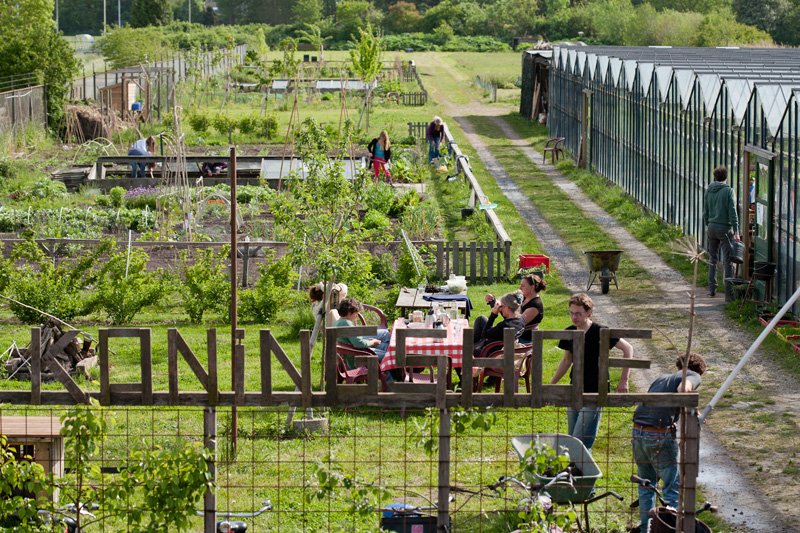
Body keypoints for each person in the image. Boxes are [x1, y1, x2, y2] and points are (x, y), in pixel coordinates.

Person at [631, 353, 707, 533]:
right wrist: (693, 408)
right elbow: (683, 390)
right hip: (659, 434)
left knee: (646, 484)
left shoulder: (662, 378)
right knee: (672, 486)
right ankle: (670, 529)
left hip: (638, 431)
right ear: (700, 370)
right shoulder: (692, 375)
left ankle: (645, 529)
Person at [549, 293, 633, 451]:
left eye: (578, 313)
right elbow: (567, 360)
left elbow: (628, 348)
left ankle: (580, 471)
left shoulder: (601, 331)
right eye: (571, 313)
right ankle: (575, 473)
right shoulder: (569, 332)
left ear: (589, 312)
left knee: (579, 441)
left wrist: (624, 381)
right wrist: (551, 384)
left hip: (595, 390)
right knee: (572, 437)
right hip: (575, 389)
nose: (574, 317)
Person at [702, 165, 740, 300]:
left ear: (715, 177)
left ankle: (712, 289)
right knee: (728, 260)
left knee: (712, 259)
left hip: (711, 228)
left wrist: (708, 224)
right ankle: (729, 294)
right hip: (725, 229)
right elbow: (733, 212)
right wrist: (736, 230)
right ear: (726, 177)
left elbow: (705, 211)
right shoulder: (729, 191)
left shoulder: (709, 190)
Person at [334, 298, 391, 367]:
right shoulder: (347, 324)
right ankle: (390, 377)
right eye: (356, 313)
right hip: (357, 357)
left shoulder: (338, 322)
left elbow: (354, 340)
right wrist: (372, 342)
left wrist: (368, 341)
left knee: (386, 348)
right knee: (388, 356)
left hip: (353, 353)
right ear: (349, 312)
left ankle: (390, 373)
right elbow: (359, 344)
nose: (357, 315)